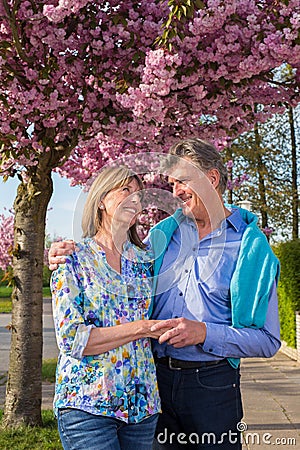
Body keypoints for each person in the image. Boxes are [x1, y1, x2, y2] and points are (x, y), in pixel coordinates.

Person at [49, 139, 281, 450]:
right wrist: (63, 252)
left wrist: (204, 333)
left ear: (211, 179)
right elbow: (109, 254)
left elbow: (268, 340)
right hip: (155, 386)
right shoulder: (160, 238)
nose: (175, 192)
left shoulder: (251, 247)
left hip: (212, 386)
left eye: (183, 181)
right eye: (171, 184)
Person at [50, 166, 171, 450]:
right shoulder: (73, 259)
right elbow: (73, 340)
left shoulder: (145, 262)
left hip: (142, 405)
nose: (135, 200)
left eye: (139, 195)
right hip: (88, 405)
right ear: (102, 200)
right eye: (125, 191)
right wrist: (142, 328)